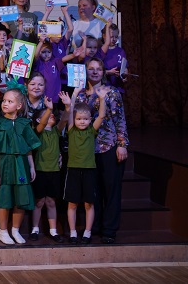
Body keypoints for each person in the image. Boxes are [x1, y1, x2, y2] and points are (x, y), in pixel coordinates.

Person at [74, 57, 128, 244]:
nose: (95, 71)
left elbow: (120, 119)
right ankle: (94, 226)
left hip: (109, 146)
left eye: (98, 69)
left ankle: (109, 229)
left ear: (103, 72)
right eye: (91, 68)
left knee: (111, 190)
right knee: (93, 191)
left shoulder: (112, 92)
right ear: (85, 71)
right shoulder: (81, 95)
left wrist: (122, 144)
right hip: (88, 150)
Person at [0, 88, 41, 245]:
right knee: (4, 200)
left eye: (10, 101)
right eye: (4, 101)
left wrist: (31, 167)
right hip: (4, 166)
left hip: (21, 166)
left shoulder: (24, 124)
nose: (5, 103)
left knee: (21, 199)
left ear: (19, 106)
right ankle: (3, 232)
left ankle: (15, 230)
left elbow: (28, 148)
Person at [63, 86, 108, 244]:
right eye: (79, 119)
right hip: (73, 170)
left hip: (89, 171)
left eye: (86, 119)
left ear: (90, 120)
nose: (82, 121)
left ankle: (87, 232)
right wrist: (74, 94)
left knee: (89, 203)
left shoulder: (91, 131)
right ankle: (73, 232)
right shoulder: (71, 130)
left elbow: (101, 115)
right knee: (72, 203)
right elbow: (69, 113)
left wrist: (102, 98)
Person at [29, 97, 66, 243]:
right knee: (39, 202)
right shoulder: (37, 131)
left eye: (51, 115)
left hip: (54, 171)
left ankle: (53, 231)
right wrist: (49, 109)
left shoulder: (56, 131)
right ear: (39, 120)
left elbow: (64, 119)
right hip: (40, 171)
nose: (51, 116)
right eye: (46, 115)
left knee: (51, 202)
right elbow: (42, 124)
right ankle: (35, 229)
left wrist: (68, 106)